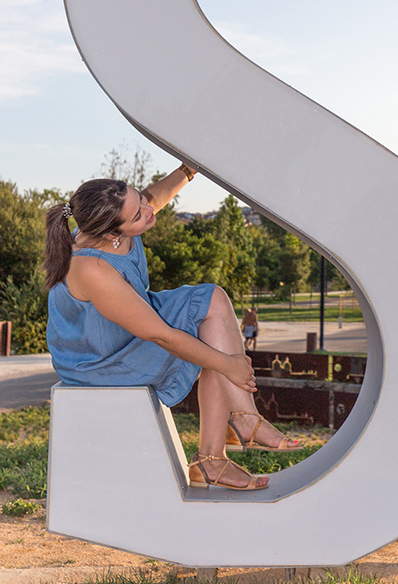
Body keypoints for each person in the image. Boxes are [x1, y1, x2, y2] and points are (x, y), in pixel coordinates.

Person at [44, 163, 300, 492]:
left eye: (139, 199)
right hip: (102, 362)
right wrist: (229, 365)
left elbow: (154, 197)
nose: (148, 211)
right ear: (112, 234)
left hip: (131, 330)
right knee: (214, 344)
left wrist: (188, 171)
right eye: (138, 215)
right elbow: (159, 334)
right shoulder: (91, 267)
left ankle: (233, 433)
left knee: (213, 301)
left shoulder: (112, 219)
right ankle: (225, 444)